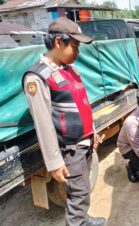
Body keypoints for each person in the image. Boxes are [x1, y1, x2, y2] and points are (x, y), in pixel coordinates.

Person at [23, 17, 105, 226]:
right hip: (70, 149)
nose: (78, 52)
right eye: (75, 46)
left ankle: (83, 220)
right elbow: (43, 124)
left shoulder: (70, 69)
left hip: (84, 143)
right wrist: (54, 163)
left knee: (82, 190)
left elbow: (82, 104)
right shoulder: (37, 77)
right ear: (59, 42)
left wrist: (92, 133)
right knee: (78, 196)